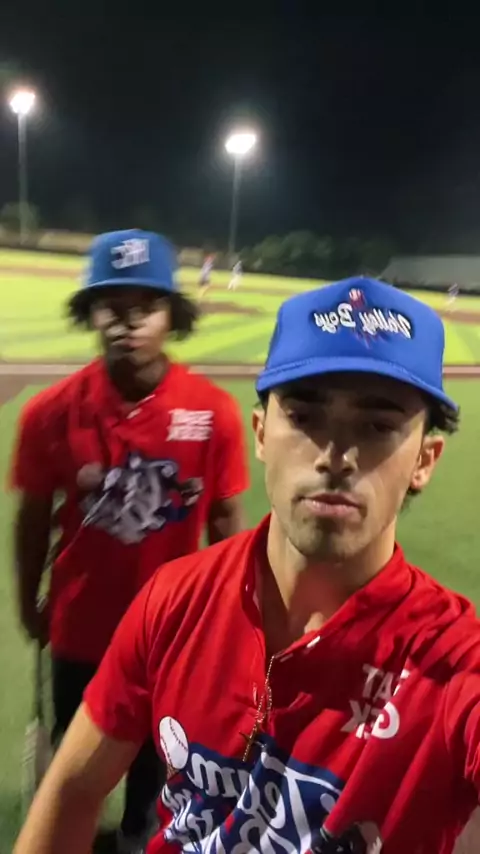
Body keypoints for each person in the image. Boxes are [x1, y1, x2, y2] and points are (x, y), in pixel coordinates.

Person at [14, 276, 480, 854]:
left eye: (377, 426)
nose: (336, 456)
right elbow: (73, 788)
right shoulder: (176, 597)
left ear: (424, 460)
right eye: (304, 417)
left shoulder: (452, 663)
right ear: (261, 434)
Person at [10, 229, 249, 854]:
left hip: (172, 630)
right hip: (80, 625)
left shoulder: (212, 412)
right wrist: (28, 600)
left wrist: (231, 614)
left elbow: (227, 521)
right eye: (110, 305)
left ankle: (136, 838)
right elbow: (32, 519)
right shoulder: (50, 412)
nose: (127, 321)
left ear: (172, 314)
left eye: (145, 305)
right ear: (90, 312)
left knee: (156, 763)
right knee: (76, 763)